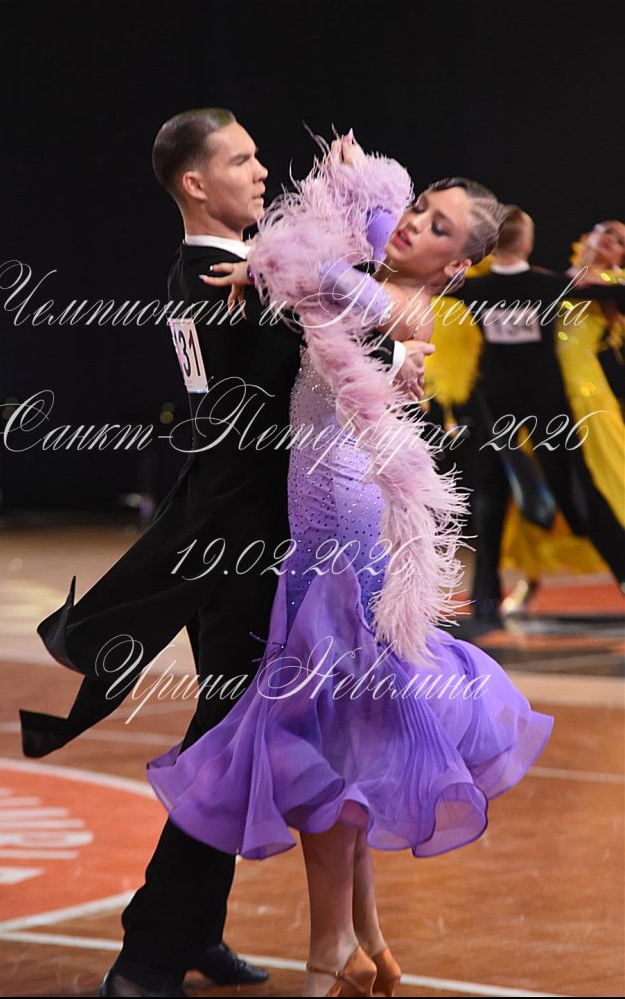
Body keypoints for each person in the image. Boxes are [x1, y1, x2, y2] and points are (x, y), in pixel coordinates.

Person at [19, 110, 424, 998]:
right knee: (229, 742)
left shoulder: (232, 268)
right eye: (240, 160)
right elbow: (321, 349)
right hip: (246, 545)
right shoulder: (222, 275)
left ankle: (193, 932)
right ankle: (149, 953)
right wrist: (395, 343)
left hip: (232, 535)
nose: (260, 170)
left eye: (257, 156)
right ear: (194, 183)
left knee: (233, 731)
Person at [144, 135, 555, 998]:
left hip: (347, 542)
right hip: (315, 536)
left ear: (459, 264)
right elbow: (355, 240)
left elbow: (337, 281)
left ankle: (330, 950)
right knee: (344, 745)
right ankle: (364, 939)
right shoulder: (381, 279)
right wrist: (342, 186)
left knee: (329, 746)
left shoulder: (405, 307)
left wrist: (272, 262)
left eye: (437, 227)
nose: (412, 224)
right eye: (418, 207)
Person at [442, 208, 625, 623]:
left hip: (503, 408)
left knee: (494, 495)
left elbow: (435, 287)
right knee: (574, 492)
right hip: (548, 409)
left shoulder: (478, 288)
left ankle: (485, 597)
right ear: (527, 242)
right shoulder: (551, 284)